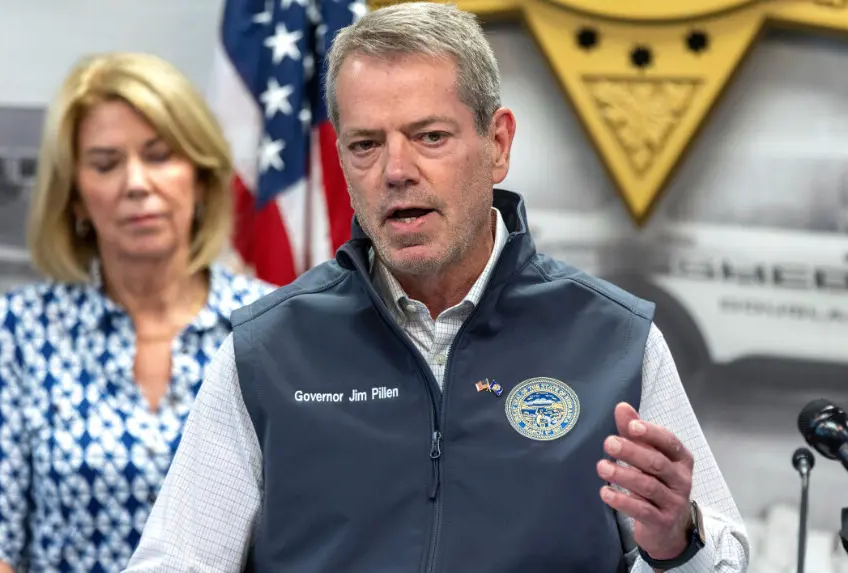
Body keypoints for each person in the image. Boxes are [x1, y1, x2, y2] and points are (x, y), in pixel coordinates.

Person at [124, 3, 750, 572]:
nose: (396, 171)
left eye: (430, 137)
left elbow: (725, 559)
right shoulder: (267, 351)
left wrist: (677, 543)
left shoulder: (617, 342)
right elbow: (172, 561)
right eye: (366, 145)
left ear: (497, 144)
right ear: (341, 160)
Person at [0, 52, 273, 572]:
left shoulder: (274, 326)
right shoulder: (14, 332)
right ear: (74, 197)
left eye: (160, 155)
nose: (136, 184)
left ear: (202, 179)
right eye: (105, 164)